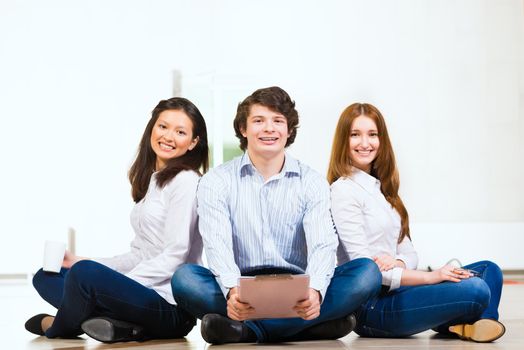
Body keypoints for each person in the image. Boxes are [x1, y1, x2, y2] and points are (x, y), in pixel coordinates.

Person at [171, 86, 382, 344]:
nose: (269, 129)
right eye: (258, 121)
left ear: (289, 130)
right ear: (243, 129)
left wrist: (315, 292)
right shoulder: (216, 181)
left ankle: (248, 331)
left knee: (367, 273)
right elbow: (218, 245)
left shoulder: (312, 182)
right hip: (242, 285)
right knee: (185, 279)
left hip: (297, 286)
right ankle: (307, 327)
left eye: (278, 121)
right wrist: (232, 292)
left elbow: (323, 245)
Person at [25, 97, 209, 343]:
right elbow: (139, 254)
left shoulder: (185, 181)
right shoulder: (153, 182)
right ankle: (121, 327)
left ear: (193, 142)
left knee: (85, 276)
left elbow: (176, 254)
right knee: (46, 276)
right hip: (138, 296)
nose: (168, 136)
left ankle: (58, 326)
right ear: (152, 128)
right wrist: (80, 260)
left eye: (180, 131)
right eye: (163, 126)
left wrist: (116, 284)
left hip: (168, 306)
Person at [327, 102, 505, 343]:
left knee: (488, 271)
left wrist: (397, 260)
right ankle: (469, 320)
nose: (365, 143)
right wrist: (432, 277)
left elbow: (409, 252)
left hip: (402, 289)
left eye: (372, 135)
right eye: (355, 135)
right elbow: (364, 271)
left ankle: (467, 325)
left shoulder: (384, 192)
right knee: (476, 289)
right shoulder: (343, 191)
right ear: (343, 141)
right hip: (372, 307)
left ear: (382, 140)